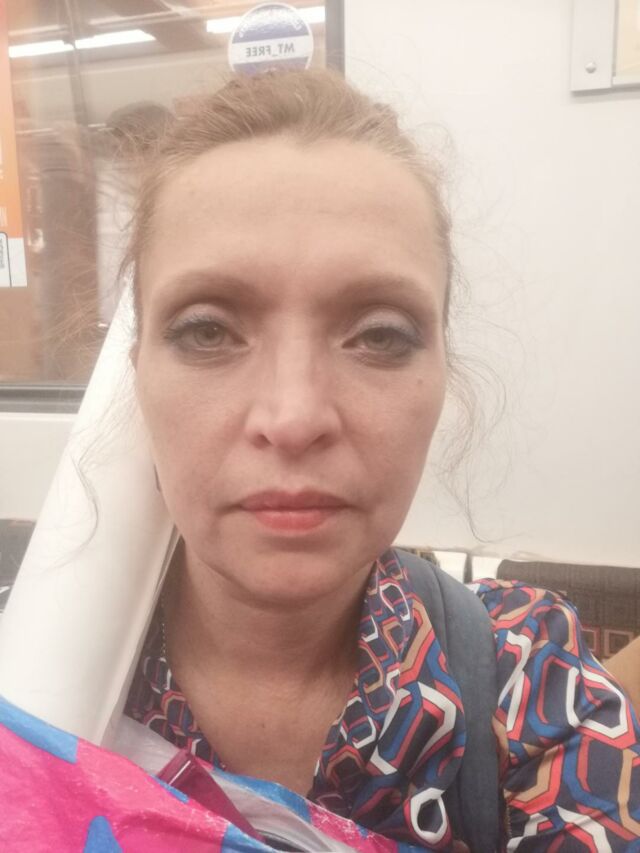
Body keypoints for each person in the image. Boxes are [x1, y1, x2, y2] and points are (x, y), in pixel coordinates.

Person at [120, 70, 640, 850]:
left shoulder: (533, 685)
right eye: (207, 329)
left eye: (379, 335)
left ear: (443, 373)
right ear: (136, 371)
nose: (293, 419)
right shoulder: (27, 670)